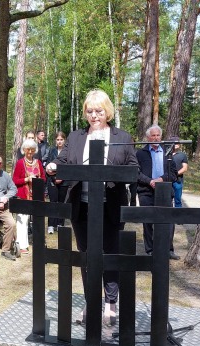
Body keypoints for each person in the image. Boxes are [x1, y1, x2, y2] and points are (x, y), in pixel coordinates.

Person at [46, 89, 138, 326]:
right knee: (87, 258)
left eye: (99, 111)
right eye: (90, 111)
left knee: (109, 255)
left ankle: (110, 303)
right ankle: (91, 303)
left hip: (111, 207)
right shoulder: (76, 137)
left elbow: (132, 168)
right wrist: (52, 166)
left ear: (107, 111)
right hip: (82, 208)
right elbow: (63, 161)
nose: (94, 115)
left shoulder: (122, 137)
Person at [136, 125, 180, 260]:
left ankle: (168, 249)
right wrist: (150, 181)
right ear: (148, 138)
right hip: (146, 191)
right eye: (153, 135)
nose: (155, 138)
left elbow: (174, 174)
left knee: (169, 221)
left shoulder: (167, 153)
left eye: (158, 135)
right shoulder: (140, 153)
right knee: (148, 221)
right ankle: (150, 249)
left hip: (165, 191)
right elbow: (136, 173)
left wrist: (161, 179)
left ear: (161, 137)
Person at [12, 138, 45, 254]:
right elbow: (15, 180)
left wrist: (37, 179)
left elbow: (44, 178)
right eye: (27, 150)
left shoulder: (38, 163)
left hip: (36, 196)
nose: (30, 152)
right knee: (23, 220)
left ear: (35, 150)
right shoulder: (20, 163)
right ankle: (22, 245)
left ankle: (39, 243)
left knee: (38, 220)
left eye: (32, 150)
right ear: (24, 150)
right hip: (23, 196)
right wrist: (27, 179)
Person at [45, 131, 67, 234]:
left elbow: (69, 166)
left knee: (61, 203)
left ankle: (60, 223)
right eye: (58, 140)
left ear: (64, 140)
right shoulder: (52, 151)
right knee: (53, 202)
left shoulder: (68, 152)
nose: (59, 142)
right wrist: (54, 178)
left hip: (64, 181)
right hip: (52, 180)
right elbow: (48, 165)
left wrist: (61, 177)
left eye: (61, 140)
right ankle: (51, 225)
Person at [170, 136, 188, 208]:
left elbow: (185, 168)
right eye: (175, 142)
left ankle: (177, 217)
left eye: (178, 142)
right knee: (167, 200)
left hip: (178, 181)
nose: (177, 144)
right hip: (167, 180)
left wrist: (175, 174)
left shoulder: (182, 155)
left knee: (177, 200)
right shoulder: (166, 154)